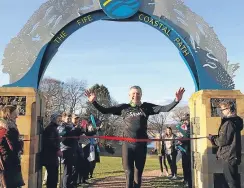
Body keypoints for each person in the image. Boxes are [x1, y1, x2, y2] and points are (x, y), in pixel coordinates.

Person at [85, 86, 184, 188]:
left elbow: (164, 108)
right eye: (133, 93)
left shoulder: (146, 107)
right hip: (127, 145)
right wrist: (94, 102)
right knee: (128, 173)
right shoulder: (123, 108)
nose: (135, 95)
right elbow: (105, 110)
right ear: (129, 95)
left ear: (141, 95)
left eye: (138, 93)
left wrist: (176, 100)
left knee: (138, 174)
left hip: (141, 146)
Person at [209, 101, 243, 188]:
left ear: (228, 109)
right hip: (233, 154)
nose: (221, 111)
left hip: (228, 155)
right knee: (233, 179)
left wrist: (212, 139)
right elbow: (227, 137)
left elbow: (222, 141)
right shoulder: (236, 120)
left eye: (222, 109)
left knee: (231, 181)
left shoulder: (228, 123)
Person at [0, 105, 25, 188]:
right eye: (15, 114)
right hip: (8, 160)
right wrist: (20, 143)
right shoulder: (8, 128)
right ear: (8, 114)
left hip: (8, 159)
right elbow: (13, 146)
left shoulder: (6, 127)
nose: (17, 116)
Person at [42, 112, 63, 188]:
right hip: (50, 157)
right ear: (54, 119)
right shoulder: (50, 128)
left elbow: (54, 140)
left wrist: (59, 140)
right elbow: (50, 142)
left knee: (54, 176)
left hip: (52, 156)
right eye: (58, 118)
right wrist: (57, 150)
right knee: (52, 177)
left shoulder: (54, 128)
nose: (60, 120)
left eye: (60, 119)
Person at [178, 113, 192, 188]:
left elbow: (187, 137)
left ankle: (189, 182)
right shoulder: (185, 127)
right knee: (184, 166)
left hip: (188, 150)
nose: (184, 122)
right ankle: (185, 180)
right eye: (184, 120)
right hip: (183, 150)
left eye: (186, 120)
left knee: (188, 168)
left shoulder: (190, 127)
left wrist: (181, 140)